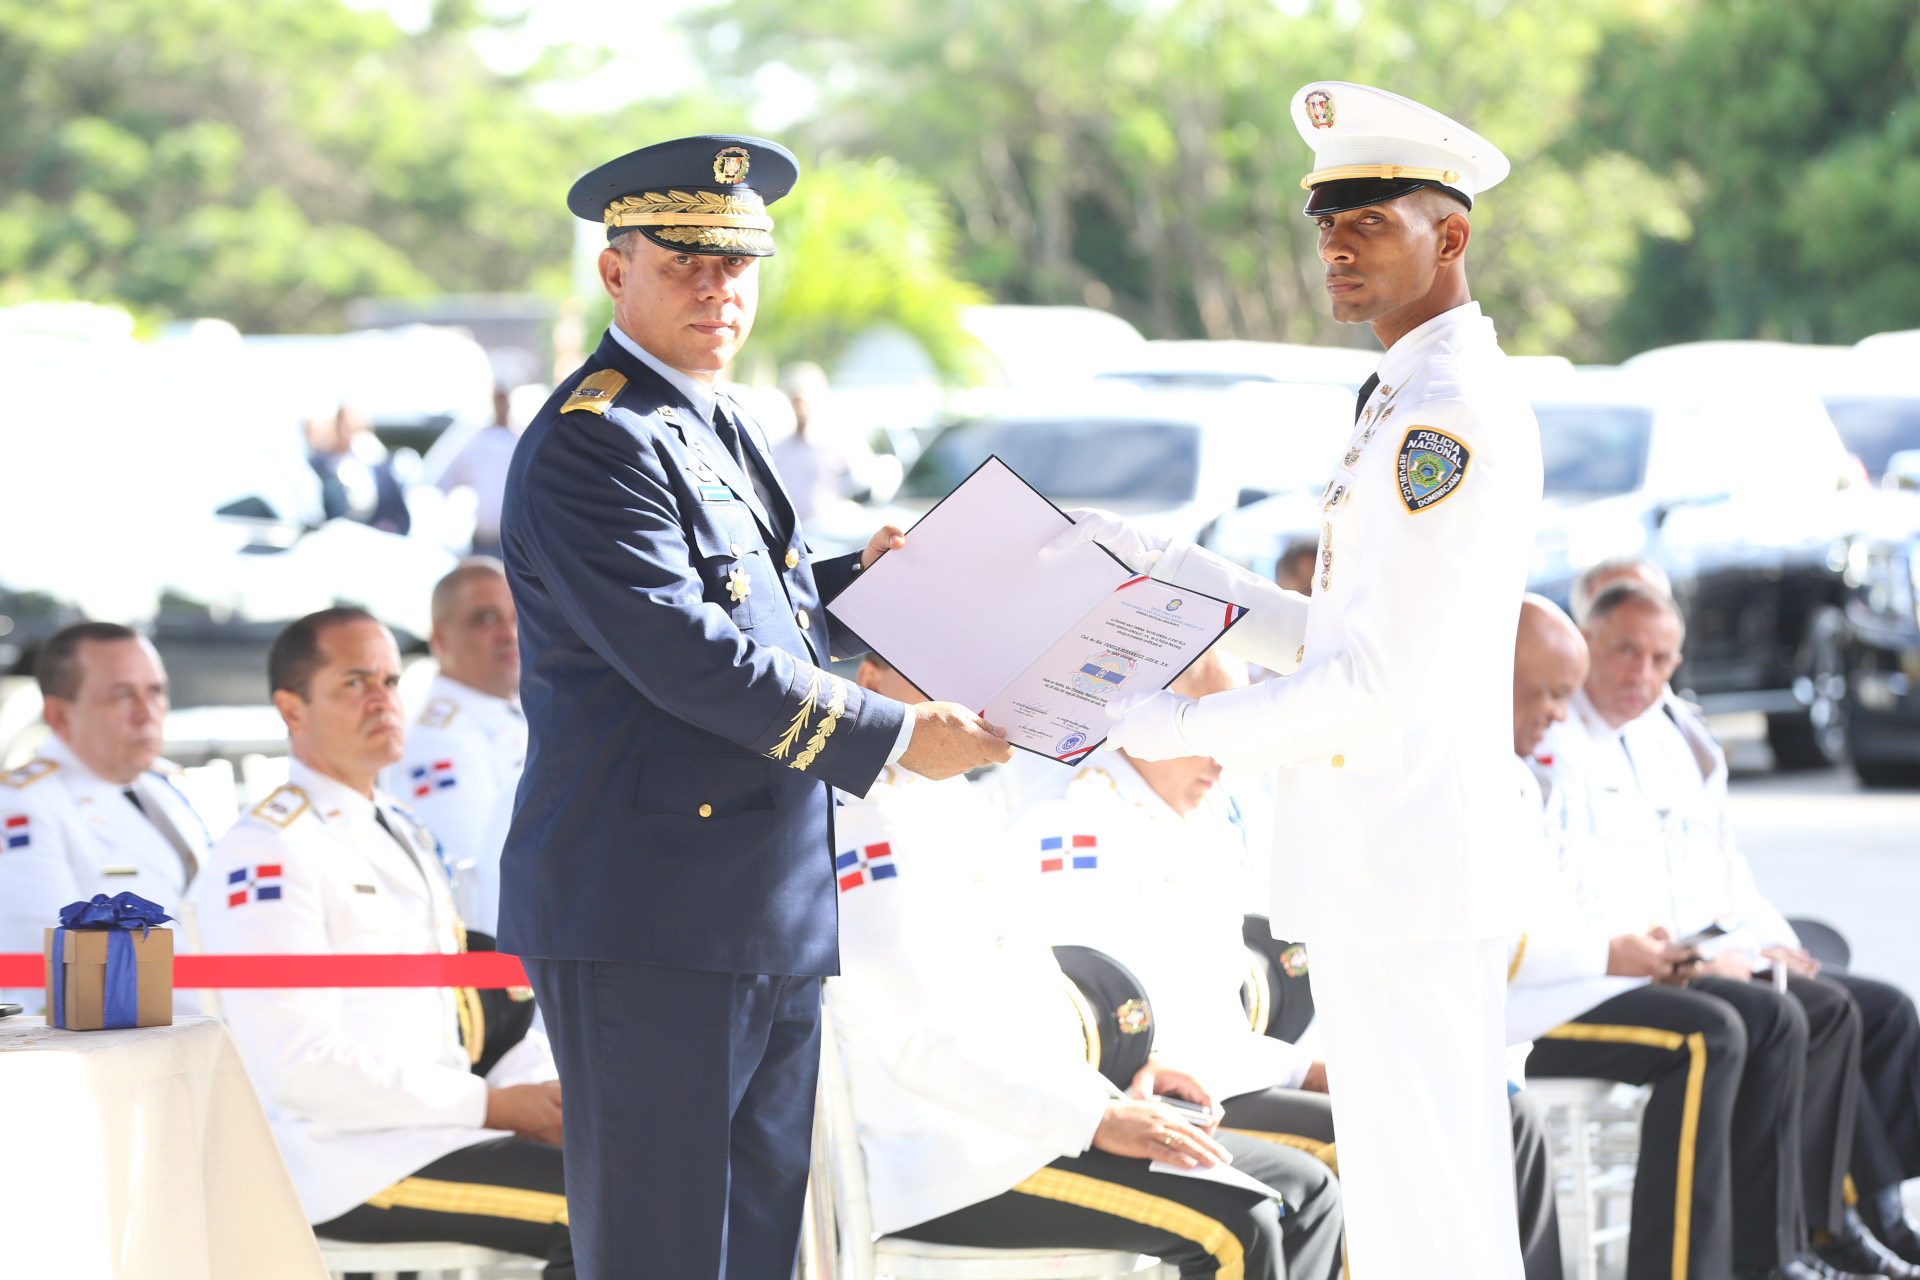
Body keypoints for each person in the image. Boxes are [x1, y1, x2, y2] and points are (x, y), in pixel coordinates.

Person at [499, 134, 1011, 1279]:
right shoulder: (596, 440)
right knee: (664, 1250)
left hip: (758, 901)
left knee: (751, 1247)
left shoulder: (711, 417)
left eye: (735, 265)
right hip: (652, 912)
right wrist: (895, 738)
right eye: (683, 263)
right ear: (614, 271)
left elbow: (748, 604)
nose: (716, 289)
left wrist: (861, 581)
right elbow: (687, 654)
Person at [1053, 83, 1541, 1277]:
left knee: (1430, 1213)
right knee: (1416, 1198)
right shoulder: (1412, 391)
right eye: (1326, 221)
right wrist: (1173, 569)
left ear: (1450, 234)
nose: (1337, 245)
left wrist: (1171, 721)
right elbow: (1343, 635)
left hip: (1409, 862)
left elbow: (1371, 684)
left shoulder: (1444, 414)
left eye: (1370, 220)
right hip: (1397, 861)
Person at [1016, 648, 1567, 1280]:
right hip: (1159, 1095)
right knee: (1383, 1136)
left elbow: (1248, 994)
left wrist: (1339, 1061)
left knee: (1498, 1113)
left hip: (1235, 1073)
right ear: (1142, 716)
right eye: (1206, 727)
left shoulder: (1199, 812)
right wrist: (1309, 1070)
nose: (1226, 753)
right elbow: (1123, 1021)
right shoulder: (1074, 826)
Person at [830, 650, 1341, 1279]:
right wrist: (1096, 1115)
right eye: (935, 677)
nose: (960, 705)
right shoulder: (863, 825)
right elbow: (922, 1040)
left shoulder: (947, 801)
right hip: (959, 1158)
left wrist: (1127, 1071)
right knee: (1241, 1223)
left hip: (1040, 1121)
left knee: (1307, 1192)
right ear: (869, 682)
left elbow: (1030, 993)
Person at [190, 608, 572, 1273]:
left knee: (649, 1178)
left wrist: (537, 1095)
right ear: (292, 708)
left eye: (390, 681)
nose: (382, 700)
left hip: (440, 1131)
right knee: (601, 1210)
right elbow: (296, 1066)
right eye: (354, 683)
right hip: (348, 1161)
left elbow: (461, 1018)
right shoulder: (269, 851)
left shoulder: (398, 826)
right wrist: (492, 1106)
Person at [1541, 581, 1899, 1279]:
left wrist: (1755, 943)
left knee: (1843, 1008)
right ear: (1587, 644)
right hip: (1596, 970)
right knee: (1759, 1022)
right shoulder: (1552, 739)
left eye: (1661, 660)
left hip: (1660, 951)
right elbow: (1589, 897)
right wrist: (1703, 959)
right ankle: (1756, 1255)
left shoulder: (1663, 734)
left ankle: (1829, 1227)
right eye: (1626, 652)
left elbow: (1715, 865)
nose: (1642, 674)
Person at [1508, 596, 1815, 1280]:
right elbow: (1498, 944)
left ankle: (1761, 1261)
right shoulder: (1480, 776)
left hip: (1573, 975)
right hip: (1516, 1005)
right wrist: (1615, 953)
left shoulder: (1516, 775)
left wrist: (1636, 946)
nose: (1559, 711)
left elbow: (1570, 894)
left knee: (1774, 1015)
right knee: (1708, 1036)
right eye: (1548, 692)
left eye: (1661, 659)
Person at [0, 622, 212, 1010]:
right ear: (59, 716)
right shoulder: (21, 808)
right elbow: (48, 971)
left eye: (156, 691)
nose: (147, 714)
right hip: (122, 1039)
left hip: (207, 1030)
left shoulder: (160, 786)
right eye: (121, 696)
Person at [382, 558, 524, 935]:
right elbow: (471, 888)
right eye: (486, 619)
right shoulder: (435, 742)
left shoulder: (517, 712)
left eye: (517, 616)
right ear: (441, 639)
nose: (509, 633)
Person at [769, 361, 861, 523]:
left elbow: (860, 486)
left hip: (828, 533)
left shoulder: (840, 445)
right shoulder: (779, 449)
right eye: (795, 399)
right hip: (789, 533)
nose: (800, 406)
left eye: (803, 399)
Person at [438, 388, 525, 556]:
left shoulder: (520, 441)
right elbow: (447, 481)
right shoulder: (477, 442)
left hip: (515, 539)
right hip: (485, 538)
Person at [307, 403, 411, 534]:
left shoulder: (379, 466)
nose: (348, 433)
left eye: (354, 427)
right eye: (345, 427)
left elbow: (399, 514)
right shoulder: (322, 466)